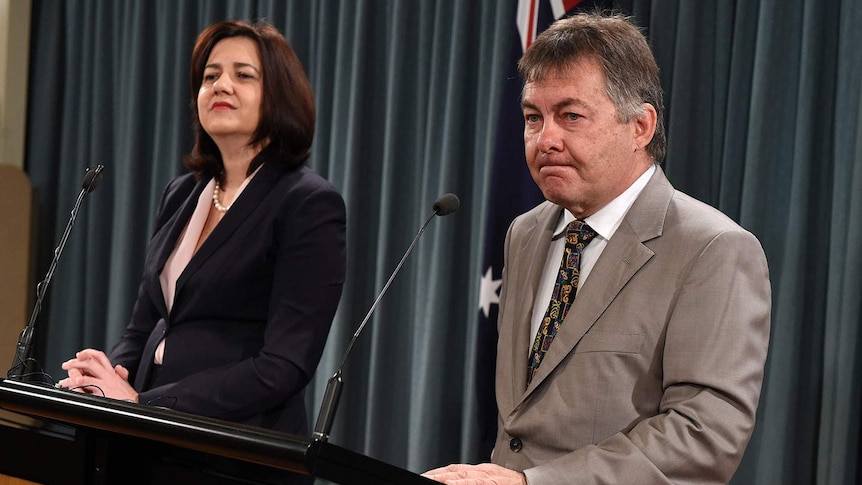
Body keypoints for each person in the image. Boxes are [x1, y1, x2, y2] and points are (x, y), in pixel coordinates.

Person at [425, 11, 770, 485]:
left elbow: (703, 436)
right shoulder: (525, 234)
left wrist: (533, 484)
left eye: (570, 116)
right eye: (533, 118)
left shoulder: (714, 250)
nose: (545, 139)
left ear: (640, 126)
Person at [58, 20, 346, 442]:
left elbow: (283, 366)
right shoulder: (182, 194)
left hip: (240, 445)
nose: (221, 85)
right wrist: (108, 379)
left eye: (243, 75)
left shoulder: (307, 203)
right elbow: (145, 325)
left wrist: (144, 405)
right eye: (210, 76)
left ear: (281, 95)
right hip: (150, 439)